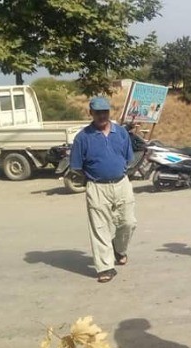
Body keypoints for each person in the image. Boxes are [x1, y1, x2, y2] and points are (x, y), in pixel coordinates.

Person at [69, 97, 137, 283]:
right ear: (91, 113)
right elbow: (76, 166)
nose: (102, 116)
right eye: (98, 112)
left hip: (122, 183)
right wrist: (92, 180)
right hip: (97, 186)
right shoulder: (83, 138)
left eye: (105, 112)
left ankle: (119, 248)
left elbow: (128, 158)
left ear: (109, 112)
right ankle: (105, 267)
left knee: (129, 222)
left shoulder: (121, 133)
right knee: (100, 229)